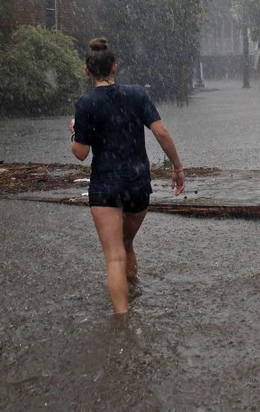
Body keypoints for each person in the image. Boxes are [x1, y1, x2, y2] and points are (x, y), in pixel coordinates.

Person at [70, 37, 186, 314]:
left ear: (87, 71)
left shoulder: (85, 104)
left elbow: (80, 153)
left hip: (105, 187)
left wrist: (75, 129)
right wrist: (178, 167)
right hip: (137, 184)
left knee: (114, 258)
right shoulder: (137, 95)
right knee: (126, 242)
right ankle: (134, 289)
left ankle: (122, 321)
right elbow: (161, 132)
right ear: (115, 67)